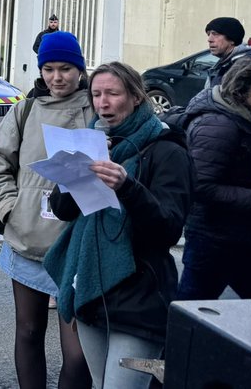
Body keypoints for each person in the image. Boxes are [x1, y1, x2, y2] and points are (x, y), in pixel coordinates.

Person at [45, 62, 193, 389]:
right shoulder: (93, 142)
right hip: (91, 289)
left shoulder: (166, 149)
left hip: (140, 299)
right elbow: (62, 210)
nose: (103, 103)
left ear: (137, 97)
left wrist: (128, 187)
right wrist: (72, 171)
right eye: (96, 94)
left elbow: (168, 228)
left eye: (112, 93)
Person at [0, 30, 93, 389]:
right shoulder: (25, 109)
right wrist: (11, 207)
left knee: (78, 353)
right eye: (49, 69)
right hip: (26, 240)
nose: (56, 77)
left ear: (80, 68)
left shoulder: (97, 107)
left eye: (65, 68)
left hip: (78, 246)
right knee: (28, 331)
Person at [177, 55, 251, 301]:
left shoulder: (248, 117)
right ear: (241, 92)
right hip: (214, 243)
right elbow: (200, 186)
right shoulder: (218, 126)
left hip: (244, 239)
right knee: (190, 315)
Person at [200, 16, 251, 96]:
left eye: (215, 34)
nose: (209, 39)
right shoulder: (225, 64)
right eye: (209, 34)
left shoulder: (248, 65)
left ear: (232, 39)